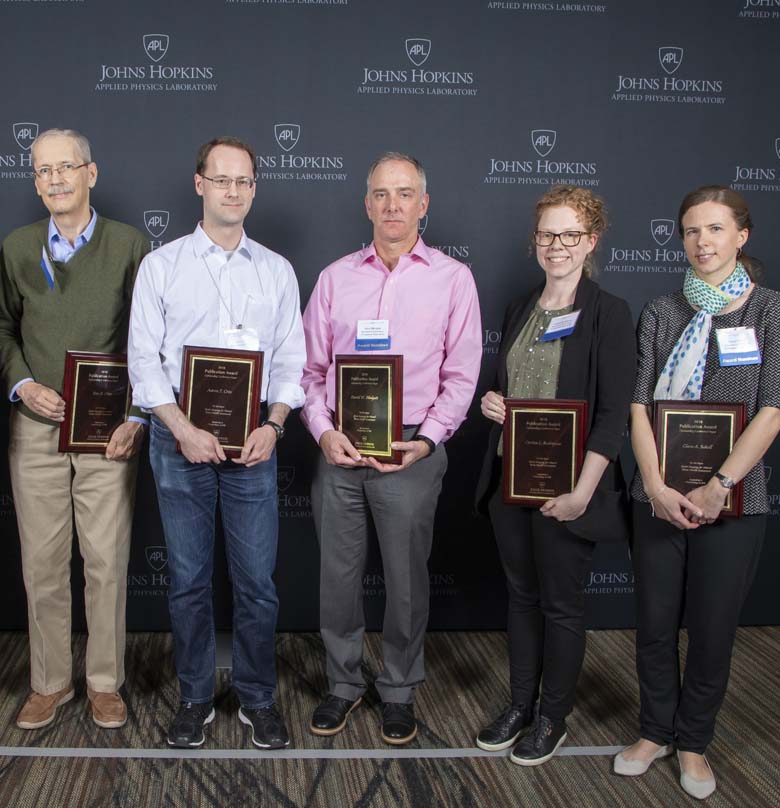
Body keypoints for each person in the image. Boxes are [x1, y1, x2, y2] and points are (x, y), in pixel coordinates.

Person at [614, 186, 780, 800]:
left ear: (741, 236)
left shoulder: (771, 310)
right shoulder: (662, 311)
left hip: (736, 500)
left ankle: (693, 742)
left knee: (713, 628)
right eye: (692, 231)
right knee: (654, 624)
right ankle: (653, 730)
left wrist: (721, 486)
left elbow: (774, 408)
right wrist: (656, 486)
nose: (702, 242)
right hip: (659, 495)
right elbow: (637, 405)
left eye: (716, 229)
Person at [127, 136, 305, 750]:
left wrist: (274, 425)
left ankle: (258, 698)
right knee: (188, 580)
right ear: (199, 183)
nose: (234, 190)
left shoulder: (277, 270)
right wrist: (180, 429)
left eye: (245, 181)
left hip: (255, 437)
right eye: (222, 179)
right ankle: (196, 697)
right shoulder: (162, 265)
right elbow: (143, 363)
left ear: (254, 188)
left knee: (257, 582)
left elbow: (290, 362)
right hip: (178, 437)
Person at [300, 152, 482, 745]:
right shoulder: (334, 278)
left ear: (423, 204)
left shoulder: (453, 279)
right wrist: (323, 431)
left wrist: (428, 441)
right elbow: (309, 370)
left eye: (405, 194)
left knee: (406, 581)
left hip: (412, 455)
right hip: (340, 454)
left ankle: (399, 688)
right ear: (367, 204)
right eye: (381, 194)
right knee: (337, 578)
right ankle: (344, 684)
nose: (393, 205)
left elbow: (461, 376)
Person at [473, 186, 635, 765]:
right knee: (520, 599)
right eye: (547, 234)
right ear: (535, 241)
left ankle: (552, 717)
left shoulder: (608, 312)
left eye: (570, 235)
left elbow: (615, 413)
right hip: (509, 482)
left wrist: (583, 493)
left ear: (591, 241)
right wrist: (495, 403)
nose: (557, 246)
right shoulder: (521, 307)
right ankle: (520, 704)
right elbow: (513, 390)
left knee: (561, 607)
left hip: (569, 490)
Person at [0, 128, 151, 731]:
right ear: (34, 181)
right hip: (35, 422)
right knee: (41, 561)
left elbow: (148, 339)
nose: (55, 179)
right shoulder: (16, 245)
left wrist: (137, 414)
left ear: (92, 172)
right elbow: (4, 329)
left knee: (106, 561)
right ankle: (50, 682)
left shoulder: (130, 244)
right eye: (43, 171)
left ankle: (105, 682)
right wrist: (21, 384)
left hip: (107, 428)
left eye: (67, 167)